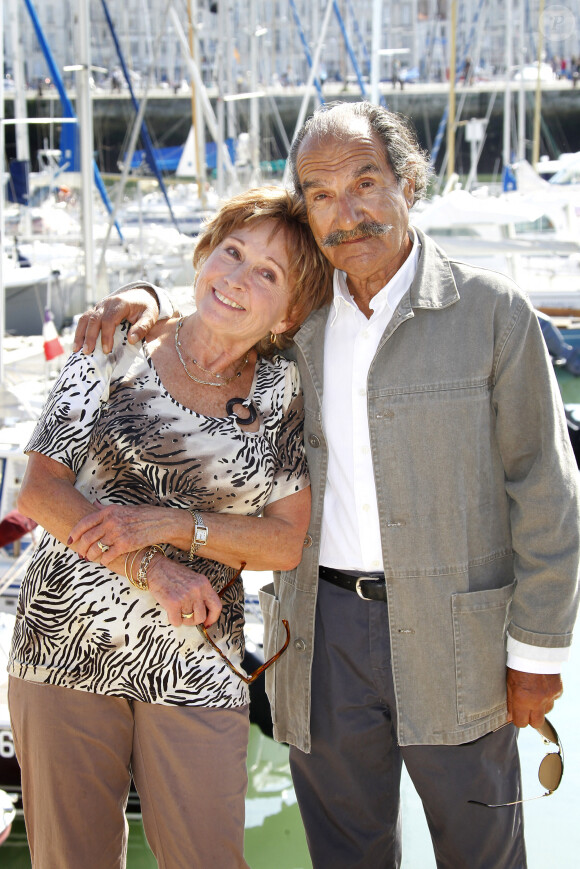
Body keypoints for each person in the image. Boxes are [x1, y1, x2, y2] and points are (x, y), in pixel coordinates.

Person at [74, 101, 580, 869]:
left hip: (460, 635)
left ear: (409, 180)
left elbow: (545, 488)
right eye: (320, 193)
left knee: (484, 853)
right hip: (321, 632)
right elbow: (225, 306)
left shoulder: (492, 312)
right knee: (346, 854)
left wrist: (537, 653)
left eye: (366, 182)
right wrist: (150, 299)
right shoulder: (296, 323)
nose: (347, 213)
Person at [8, 186, 332, 869]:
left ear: (291, 310)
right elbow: (40, 487)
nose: (238, 278)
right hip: (65, 637)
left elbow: (284, 538)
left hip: (196, 656)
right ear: (205, 253)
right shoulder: (115, 343)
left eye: (267, 274)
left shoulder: (282, 392)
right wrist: (150, 566)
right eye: (232, 251)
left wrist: (167, 525)